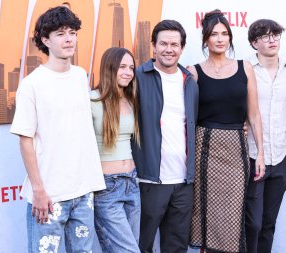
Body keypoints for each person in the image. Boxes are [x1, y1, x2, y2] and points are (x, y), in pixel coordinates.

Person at [10, 6, 105, 252]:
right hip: (49, 197)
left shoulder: (79, 76)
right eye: (61, 33)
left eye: (72, 32)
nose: (69, 39)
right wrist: (39, 190)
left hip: (83, 193)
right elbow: (25, 140)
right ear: (45, 40)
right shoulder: (32, 85)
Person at [188, 10, 265, 253]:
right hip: (204, 149)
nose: (220, 39)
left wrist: (260, 153)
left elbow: (253, 115)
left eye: (224, 34)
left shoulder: (246, 68)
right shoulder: (194, 71)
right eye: (214, 34)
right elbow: (187, 118)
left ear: (230, 37)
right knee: (207, 214)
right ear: (205, 39)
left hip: (236, 151)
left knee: (232, 215)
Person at [131, 20, 199, 253]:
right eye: (163, 44)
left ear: (182, 47)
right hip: (149, 181)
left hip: (183, 182)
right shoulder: (137, 77)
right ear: (153, 46)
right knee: (142, 245)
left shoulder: (189, 81)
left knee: (176, 247)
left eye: (174, 44)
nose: (169, 49)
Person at [245, 19, 286, 253]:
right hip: (254, 156)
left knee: (268, 223)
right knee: (252, 224)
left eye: (275, 34)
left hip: (280, 156)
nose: (272, 39)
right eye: (265, 36)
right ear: (254, 43)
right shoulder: (245, 69)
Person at [91, 47, 141, 252]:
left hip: (132, 182)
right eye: (122, 67)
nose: (128, 72)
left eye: (131, 67)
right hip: (107, 186)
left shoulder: (131, 100)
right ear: (109, 68)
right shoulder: (92, 100)